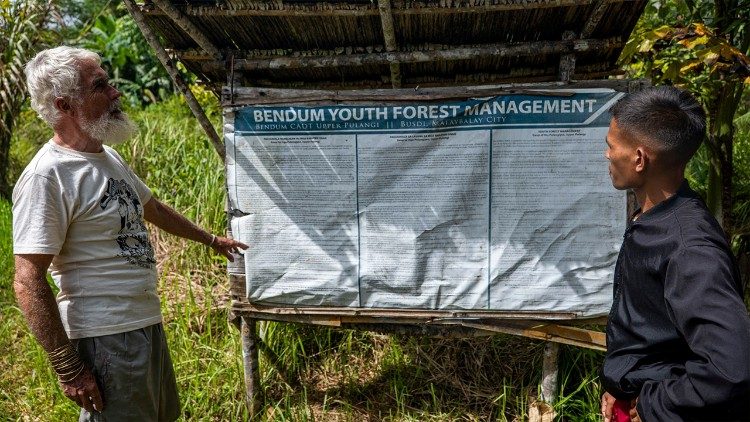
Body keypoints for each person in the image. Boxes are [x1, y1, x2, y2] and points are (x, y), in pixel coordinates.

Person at [12, 46, 248, 421]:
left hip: (143, 322)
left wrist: (210, 240)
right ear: (65, 105)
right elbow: (27, 280)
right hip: (104, 334)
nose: (115, 92)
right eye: (100, 85)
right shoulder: (48, 176)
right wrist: (68, 367)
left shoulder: (106, 158)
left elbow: (151, 207)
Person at [600, 86, 750, 421]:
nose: (607, 155)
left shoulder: (690, 249)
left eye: (611, 146)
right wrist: (620, 382)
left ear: (639, 159)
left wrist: (656, 405)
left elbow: (731, 368)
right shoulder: (652, 217)